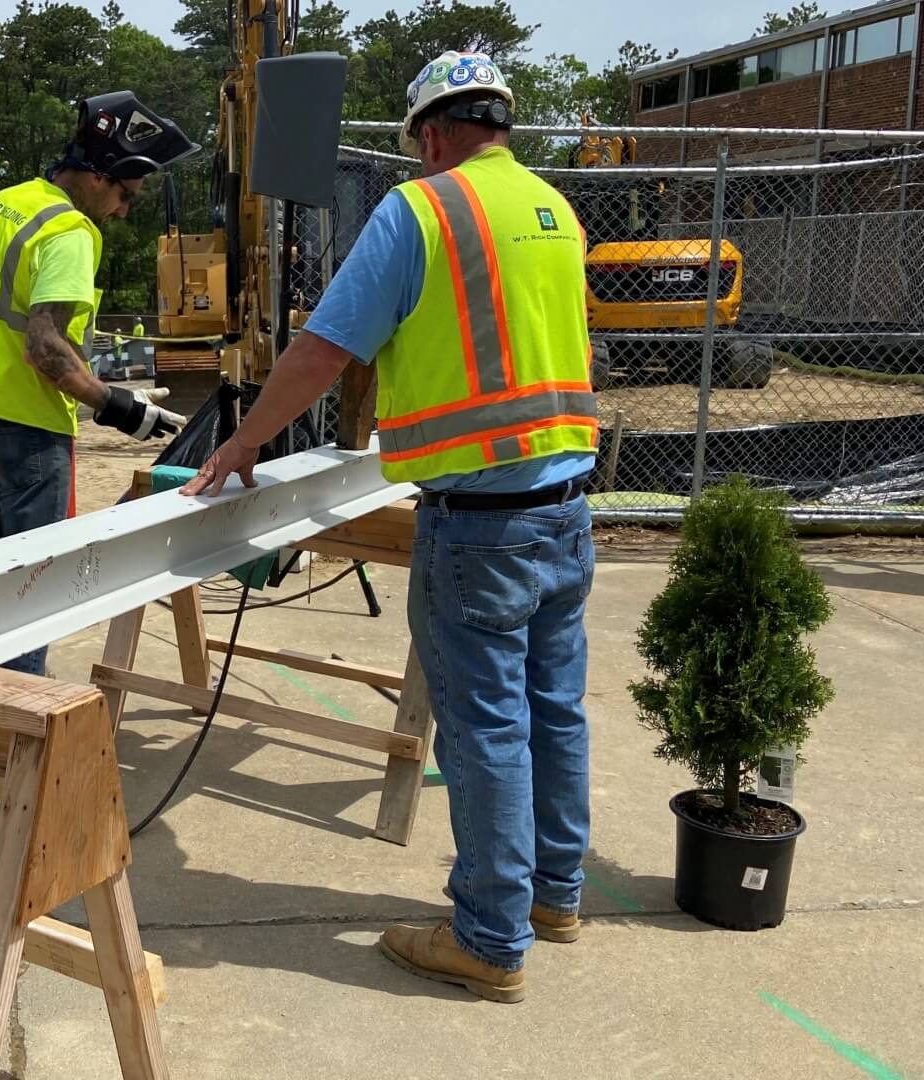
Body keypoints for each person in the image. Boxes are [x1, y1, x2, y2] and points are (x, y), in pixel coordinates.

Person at [184, 50, 597, 1003]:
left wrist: (245, 441)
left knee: (487, 726)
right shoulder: (555, 211)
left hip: (480, 522)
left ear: (436, 133)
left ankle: (490, 941)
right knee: (553, 708)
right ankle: (552, 896)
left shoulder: (422, 211)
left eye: (418, 145)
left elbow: (325, 350)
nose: (416, 161)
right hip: (567, 511)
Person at [0, 91, 198, 674]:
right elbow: (44, 346)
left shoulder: (9, 202)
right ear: (99, 175)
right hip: (27, 423)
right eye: (126, 194)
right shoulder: (71, 233)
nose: (126, 210)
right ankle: (20, 715)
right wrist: (117, 407)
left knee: (0, 570)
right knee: (36, 584)